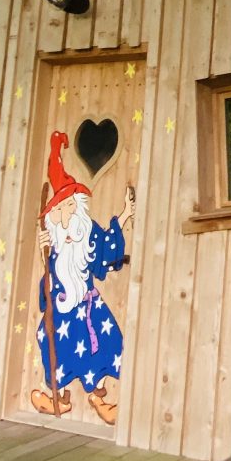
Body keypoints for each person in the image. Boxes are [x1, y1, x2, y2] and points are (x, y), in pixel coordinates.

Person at [31, 131, 134, 425]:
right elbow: (46, 283)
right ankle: (57, 397)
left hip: (89, 307)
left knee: (105, 343)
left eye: (69, 206)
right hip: (62, 312)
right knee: (55, 345)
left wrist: (125, 215)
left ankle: (99, 398)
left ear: (79, 209)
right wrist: (44, 252)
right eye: (60, 209)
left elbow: (106, 251)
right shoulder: (54, 248)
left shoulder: (87, 236)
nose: (65, 214)